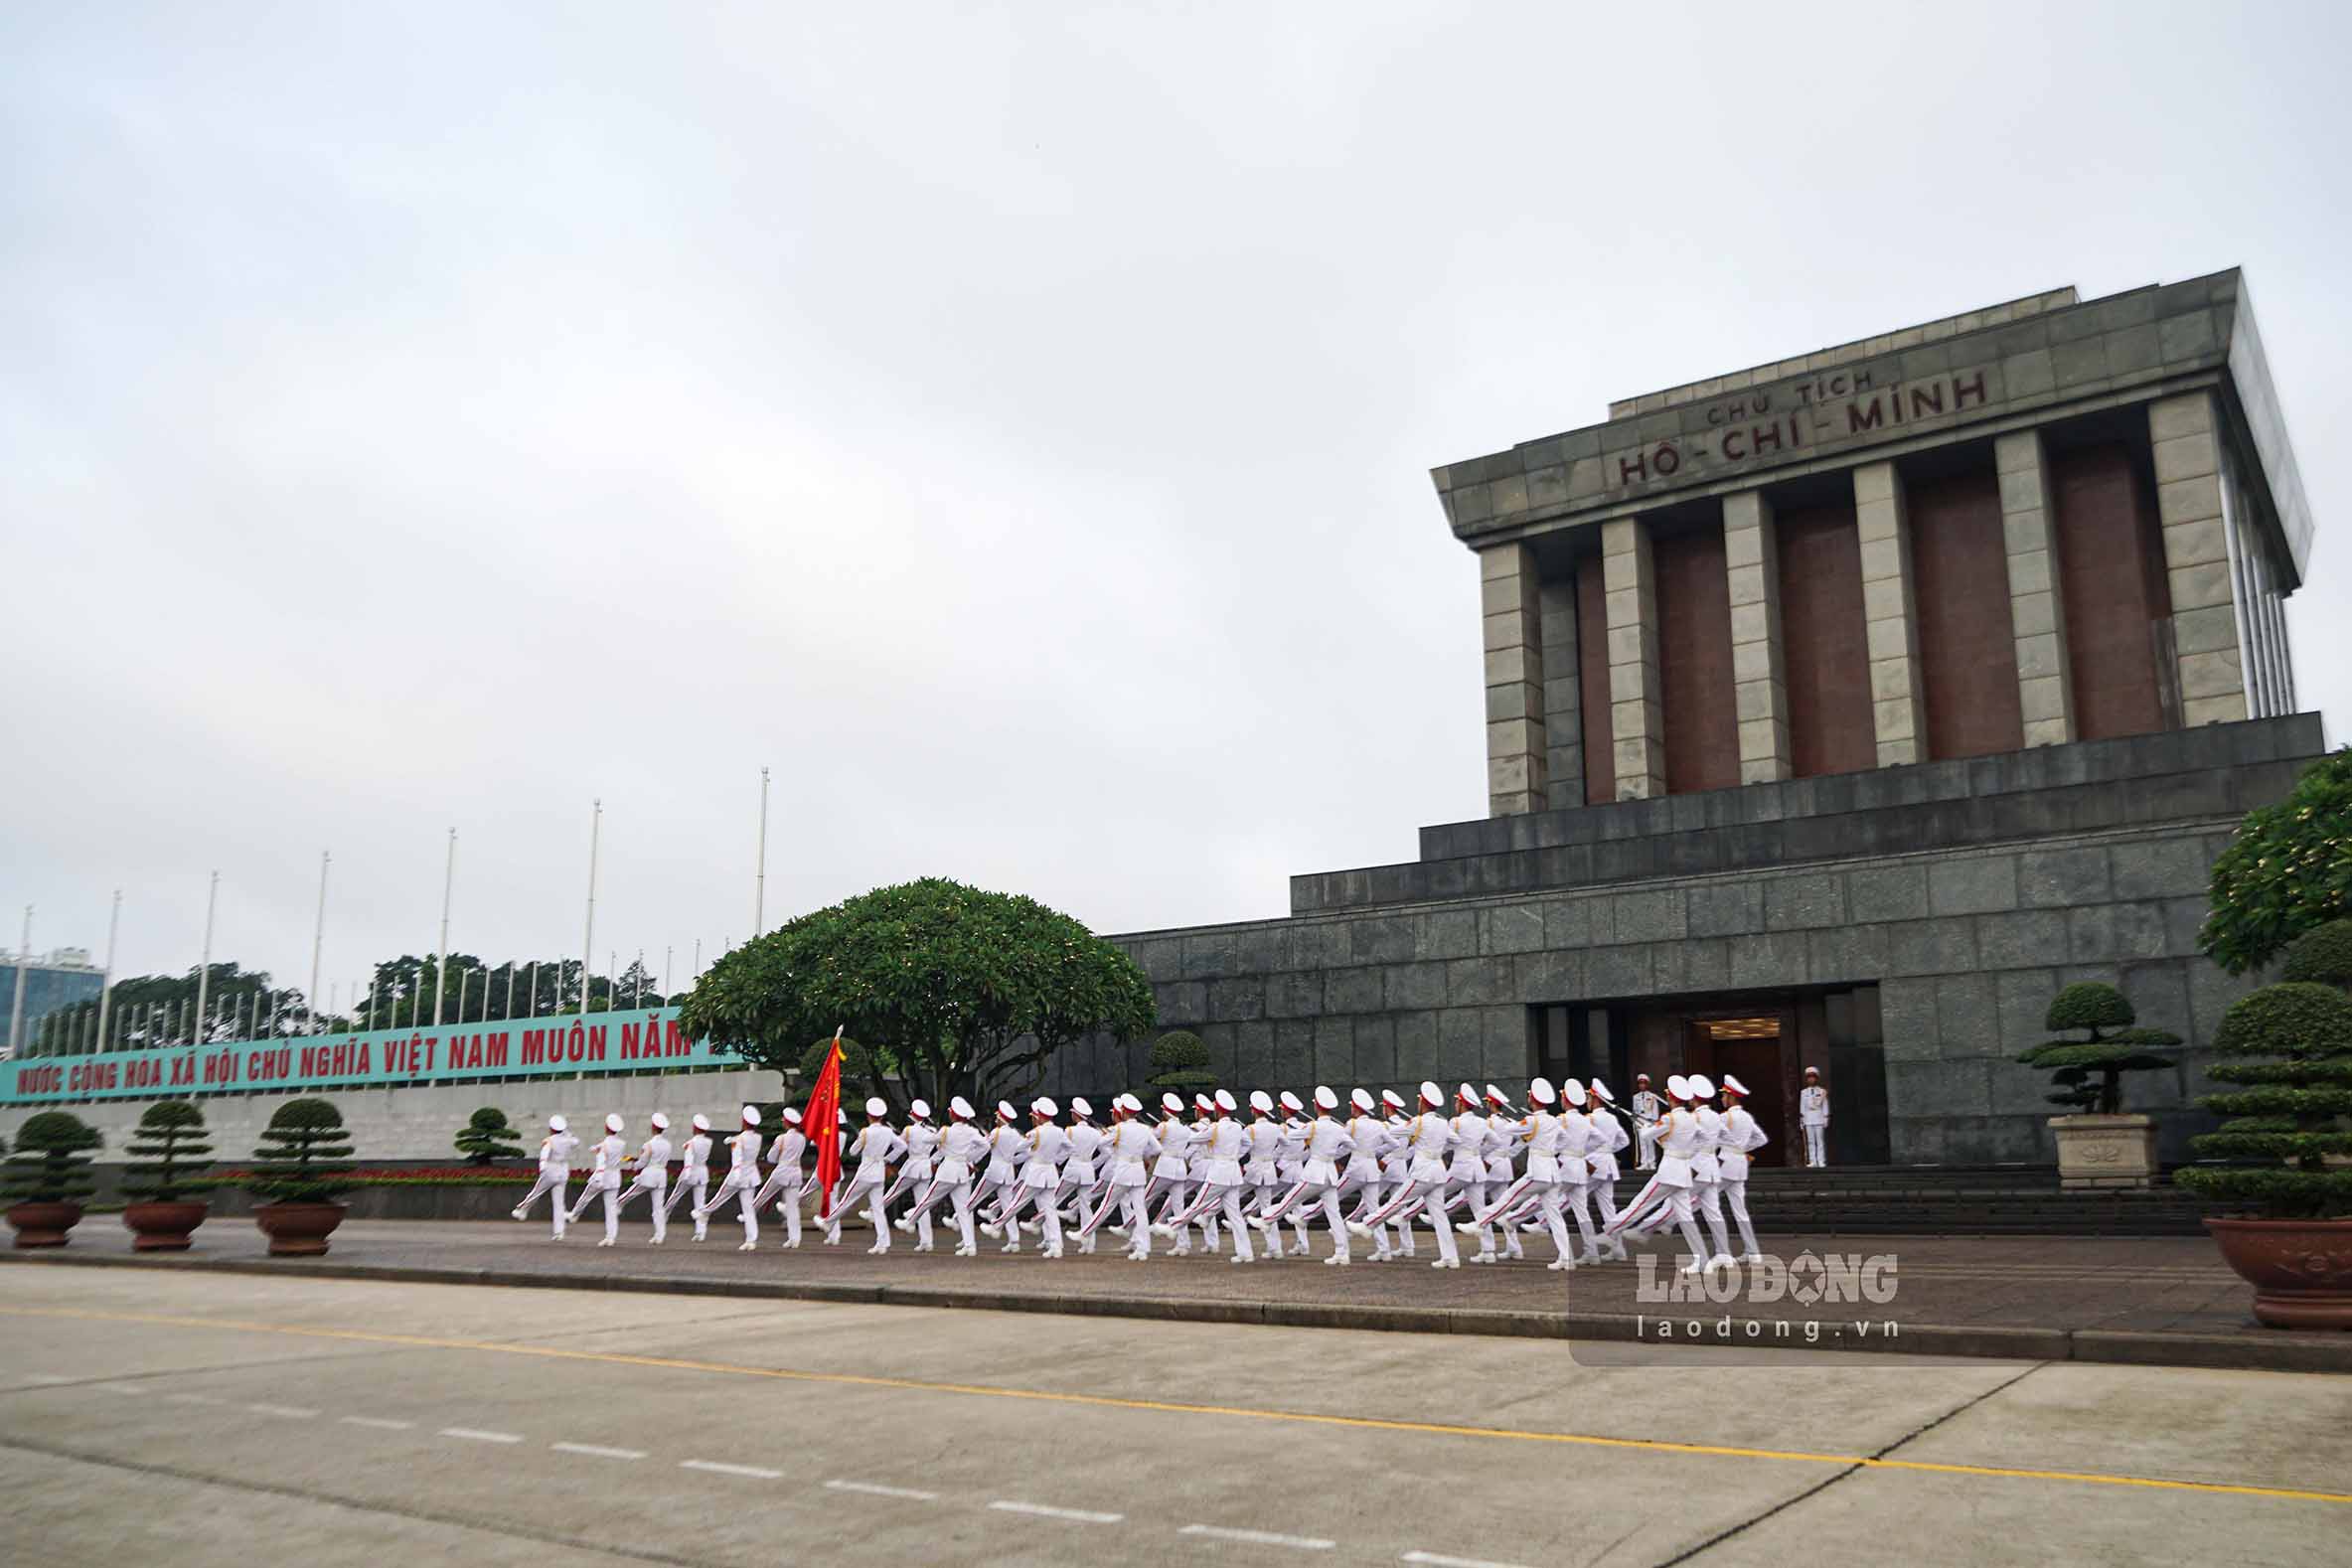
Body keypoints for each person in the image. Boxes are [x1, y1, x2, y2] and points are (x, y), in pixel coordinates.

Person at [1610, 1076, 1715, 1275]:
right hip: (1683, 1171)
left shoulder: (1668, 1118)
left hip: (1669, 1172)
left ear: (1671, 1097)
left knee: (1641, 1203)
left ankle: (1610, 1230)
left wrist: (1644, 1127)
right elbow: (1703, 1141)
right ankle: (1703, 1260)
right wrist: (1683, 1151)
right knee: (1685, 1218)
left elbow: (1645, 1136)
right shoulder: (1691, 1118)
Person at [1348, 1082, 1461, 1269]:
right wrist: (1439, 1151)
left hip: (1422, 1172)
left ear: (1423, 1102)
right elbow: (1456, 1141)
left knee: (1397, 1202)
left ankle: (1367, 1224)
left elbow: (1393, 1132)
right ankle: (1451, 1258)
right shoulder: (1442, 1122)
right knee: (1439, 1216)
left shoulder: (1418, 1122)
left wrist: (1373, 1132)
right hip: (1438, 1171)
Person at [1163, 1088, 1253, 1263]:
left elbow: (1193, 1139)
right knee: (1235, 1216)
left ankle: (1171, 1226)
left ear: (1217, 1110)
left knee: (1196, 1206)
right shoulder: (1236, 1126)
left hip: (1218, 1173)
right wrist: (1235, 1157)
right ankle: (1245, 1253)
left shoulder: (1215, 1128)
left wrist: (1178, 1128)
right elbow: (1248, 1143)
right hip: (1233, 1172)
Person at [1076, 1094, 1161, 1260]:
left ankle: (1085, 1233)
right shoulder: (1145, 1129)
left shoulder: (1119, 1129)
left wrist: (1117, 1148)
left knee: (1106, 1205)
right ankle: (1142, 1248)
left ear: (1123, 1111)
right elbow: (1157, 1149)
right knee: (1140, 1210)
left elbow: (1101, 1143)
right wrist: (1143, 1156)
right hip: (1137, 1171)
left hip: (1123, 1171)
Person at [901, 1097, 988, 1256]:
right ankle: (970, 1246)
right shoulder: (971, 1131)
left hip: (947, 1171)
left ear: (953, 1115)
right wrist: (969, 1158)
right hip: (962, 1171)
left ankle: (910, 1220)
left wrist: (940, 1140)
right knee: (963, 1210)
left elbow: (927, 1140)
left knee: (928, 1199)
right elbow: (985, 1145)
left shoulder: (946, 1131)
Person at [988, 1098, 1070, 1256]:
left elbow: (1018, 1147)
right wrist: (1056, 1159)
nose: (1033, 1119)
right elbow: (1070, 1149)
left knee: (1016, 1203)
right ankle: (1056, 1245)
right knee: (1050, 1210)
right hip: (1050, 1172)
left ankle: (996, 1225)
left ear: (1039, 1116)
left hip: (1036, 1174)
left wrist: (1028, 1149)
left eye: (1035, 1116)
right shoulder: (1059, 1131)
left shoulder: (1035, 1133)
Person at [830, 1098, 907, 1254]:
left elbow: (852, 1151)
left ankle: (827, 1221)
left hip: (865, 1171)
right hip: (879, 1172)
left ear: (869, 1115)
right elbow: (902, 1146)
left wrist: (862, 1141)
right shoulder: (887, 1131)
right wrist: (887, 1159)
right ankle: (883, 1243)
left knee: (846, 1200)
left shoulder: (865, 1132)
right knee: (878, 1209)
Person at [693, 1105, 764, 1251]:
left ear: (744, 1121)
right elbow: (747, 1142)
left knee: (720, 1197)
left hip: (738, 1175)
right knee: (748, 1209)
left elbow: (736, 1160)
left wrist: (734, 1143)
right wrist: (733, 1140)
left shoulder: (738, 1140)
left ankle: (704, 1213)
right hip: (751, 1175)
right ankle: (751, 1240)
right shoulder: (758, 1138)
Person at [1718, 1075, 1769, 1262]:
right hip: (1740, 1165)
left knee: (1701, 1200)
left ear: (1731, 1097)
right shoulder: (1747, 1117)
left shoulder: (1725, 1117)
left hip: (1725, 1165)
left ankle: (1721, 1252)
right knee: (1740, 1210)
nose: (1722, 1099)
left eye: (1724, 1096)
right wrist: (1741, 1148)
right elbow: (1761, 1139)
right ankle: (1752, 1251)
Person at [563, 1113, 629, 1246]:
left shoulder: (604, 1146)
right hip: (615, 1176)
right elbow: (607, 1147)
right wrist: (596, 1148)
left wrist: (598, 1176)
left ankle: (574, 1214)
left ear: (607, 1128)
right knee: (610, 1208)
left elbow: (601, 1161)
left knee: (586, 1196)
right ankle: (611, 1238)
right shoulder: (621, 1143)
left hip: (603, 1175)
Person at [511, 1114, 579, 1239]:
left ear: (552, 1129)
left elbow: (544, 1154)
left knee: (536, 1192)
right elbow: (576, 1141)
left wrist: (542, 1168)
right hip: (563, 1171)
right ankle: (559, 1232)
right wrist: (566, 1132)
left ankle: (522, 1210)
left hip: (551, 1169)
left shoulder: (549, 1140)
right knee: (559, 1203)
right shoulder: (568, 1140)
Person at [1584, 1081, 1631, 1261]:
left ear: (1595, 1099)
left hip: (1593, 1164)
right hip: (1608, 1163)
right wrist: (1608, 1150)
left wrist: (1591, 1153)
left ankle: (1542, 1220)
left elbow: (1584, 1141)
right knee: (1608, 1209)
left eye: (1588, 1097)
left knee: (1570, 1200)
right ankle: (1618, 1249)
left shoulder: (1590, 1118)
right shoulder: (1611, 1118)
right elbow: (1624, 1141)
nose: (1586, 1100)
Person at [613, 1112, 673, 1244]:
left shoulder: (648, 1144)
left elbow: (642, 1162)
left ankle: (618, 1205)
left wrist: (632, 1164)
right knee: (658, 1208)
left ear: (653, 1127)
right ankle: (660, 1235)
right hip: (661, 1175)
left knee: (630, 1193)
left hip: (649, 1174)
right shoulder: (668, 1144)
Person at [752, 1106, 809, 1248]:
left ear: (787, 1122)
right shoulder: (802, 1138)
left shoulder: (781, 1138)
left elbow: (771, 1158)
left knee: (763, 1195)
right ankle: (794, 1239)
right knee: (792, 1207)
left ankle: (748, 1212)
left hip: (782, 1171)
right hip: (796, 1172)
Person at [662, 1113, 714, 1241]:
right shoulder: (709, 1142)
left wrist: (687, 1173)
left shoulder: (690, 1143)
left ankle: (663, 1215)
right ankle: (700, 1233)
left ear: (695, 1128)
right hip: (703, 1173)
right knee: (700, 1203)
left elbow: (689, 1160)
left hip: (691, 1172)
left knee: (675, 1195)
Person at [1631, 1075, 1663, 1171]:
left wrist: (1654, 1121)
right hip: (1640, 1121)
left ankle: (1652, 1163)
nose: (1642, 1085)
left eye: (1644, 1083)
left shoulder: (1652, 1096)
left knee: (1650, 1142)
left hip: (1649, 1121)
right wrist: (1635, 1123)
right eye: (1640, 1083)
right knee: (1642, 1143)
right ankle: (1644, 1163)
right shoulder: (1635, 1097)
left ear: (1647, 1084)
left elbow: (1655, 1110)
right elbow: (1634, 1111)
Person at [1801, 1066, 1830, 1168]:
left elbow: (1825, 1104)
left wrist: (1826, 1117)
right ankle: (1813, 1161)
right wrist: (1802, 1119)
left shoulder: (1822, 1091)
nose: (1811, 1079)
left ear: (1816, 1078)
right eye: (1809, 1077)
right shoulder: (1803, 1092)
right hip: (1808, 1118)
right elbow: (1802, 1106)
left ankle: (1821, 1161)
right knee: (1810, 1141)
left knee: (1820, 1141)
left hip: (1818, 1117)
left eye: (1813, 1077)